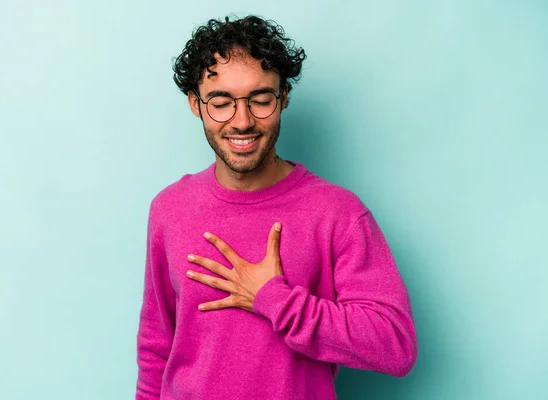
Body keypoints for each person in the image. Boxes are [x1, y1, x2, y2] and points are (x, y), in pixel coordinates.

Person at [135, 14, 417, 400]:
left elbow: (395, 345)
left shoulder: (338, 214)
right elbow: (156, 347)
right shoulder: (169, 208)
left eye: (261, 99)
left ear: (283, 97)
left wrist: (274, 298)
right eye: (221, 102)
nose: (243, 120)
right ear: (195, 104)